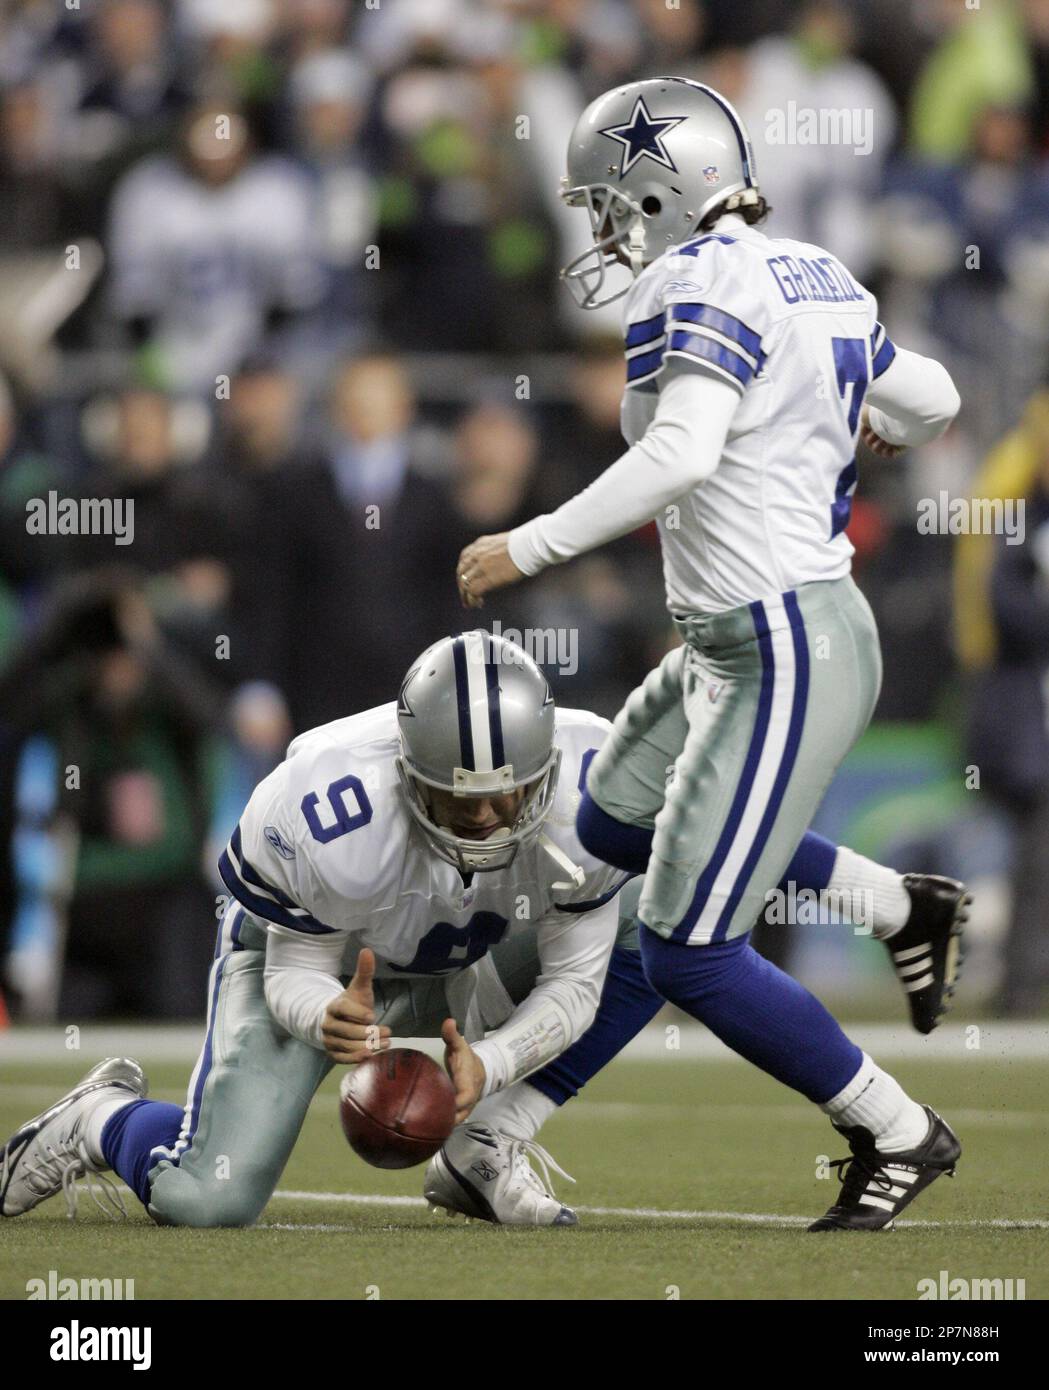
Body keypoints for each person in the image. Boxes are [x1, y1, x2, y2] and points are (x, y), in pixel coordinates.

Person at [454, 77, 966, 1232]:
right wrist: (876, 425)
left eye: (610, 203)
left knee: (687, 945)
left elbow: (679, 455)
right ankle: (895, 904)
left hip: (781, 642)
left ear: (658, 187)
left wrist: (524, 544)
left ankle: (893, 1129)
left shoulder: (696, 275)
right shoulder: (810, 266)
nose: (603, 230)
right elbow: (930, 394)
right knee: (606, 833)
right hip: (735, 644)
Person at [3, 631, 965, 1229]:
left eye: (508, 797)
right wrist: (322, 1018)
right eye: (457, 803)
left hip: (462, 951)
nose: (486, 821)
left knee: (661, 903)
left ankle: (486, 1144)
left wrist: (490, 1066)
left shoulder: (589, 788)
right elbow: (293, 957)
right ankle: (102, 1120)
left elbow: (579, 982)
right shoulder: (323, 808)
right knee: (206, 1200)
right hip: (330, 962)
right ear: (407, 771)